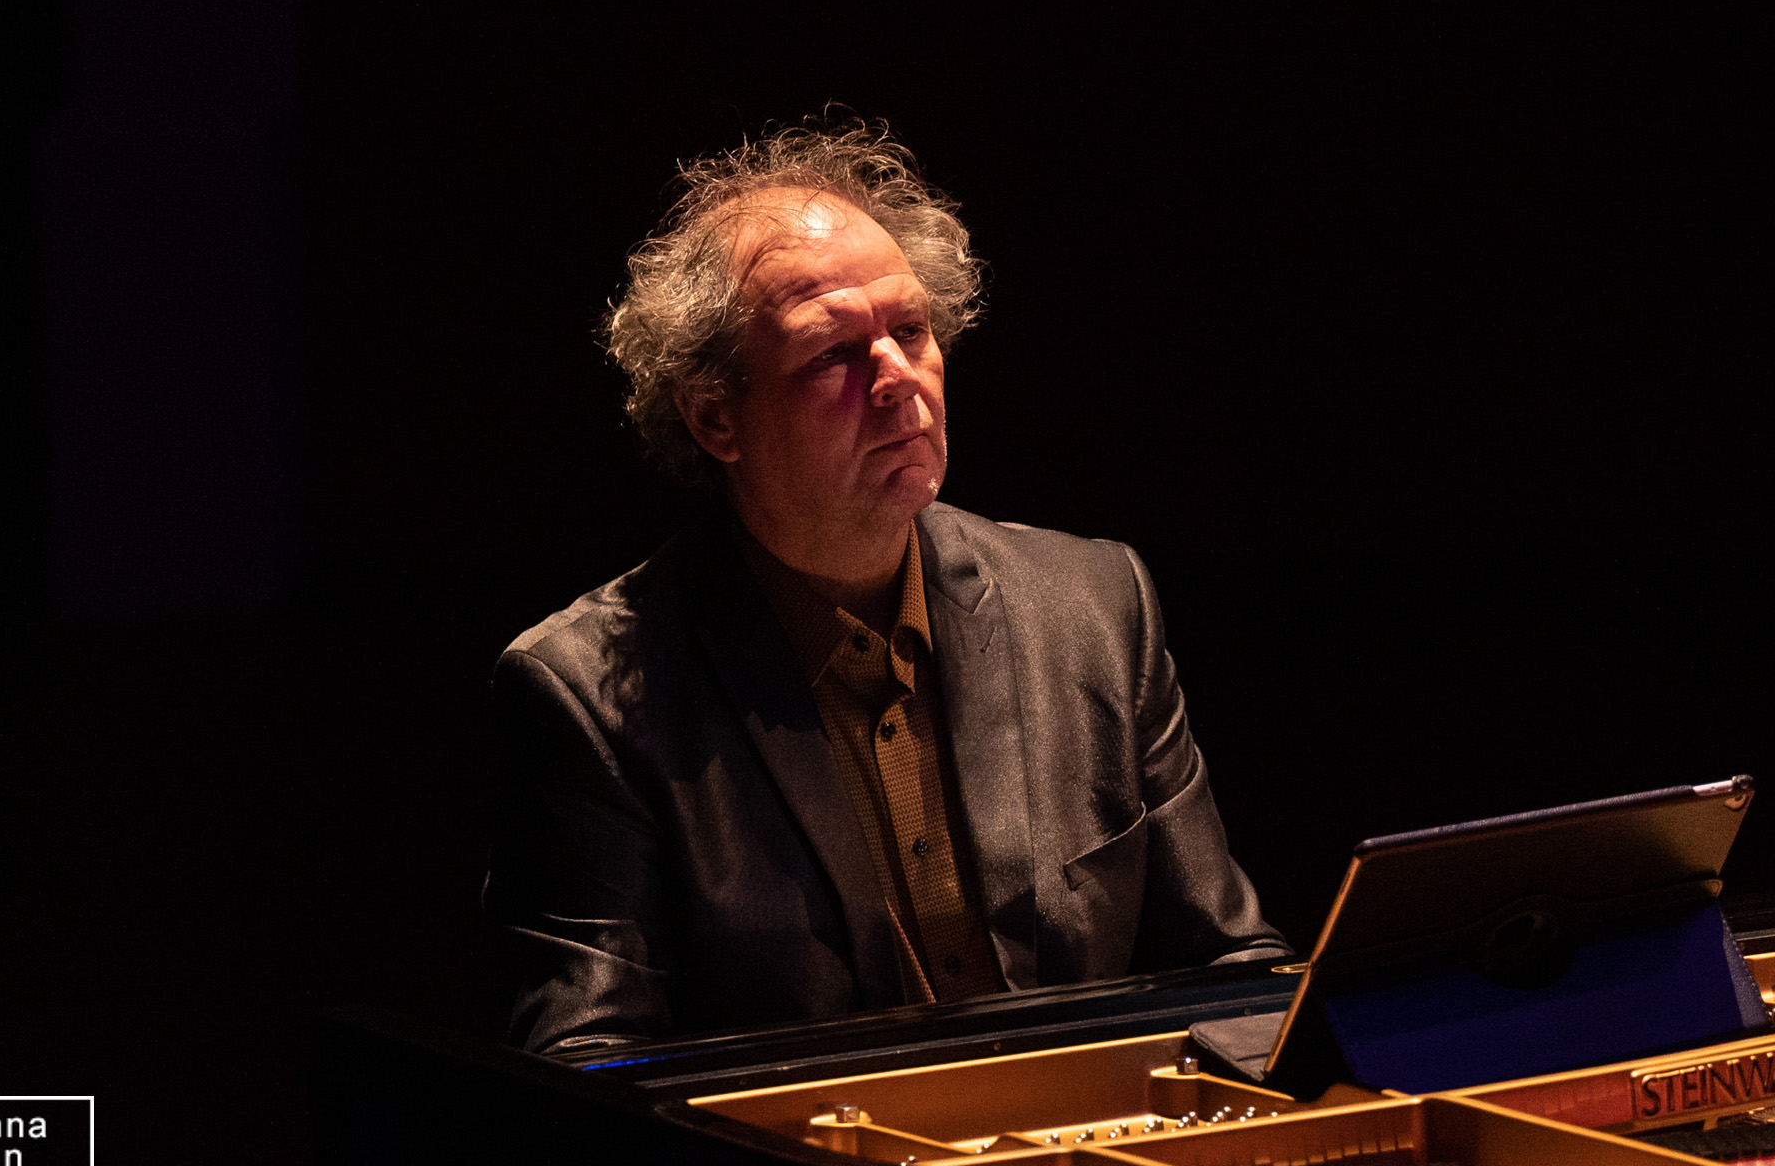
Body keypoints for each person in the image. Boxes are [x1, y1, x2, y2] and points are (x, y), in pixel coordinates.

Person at [486, 121, 1289, 1052]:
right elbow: (587, 1071)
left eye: (911, 330)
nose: (898, 379)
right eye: (833, 353)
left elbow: (1234, 971)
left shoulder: (1093, 606)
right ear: (714, 417)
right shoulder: (589, 697)